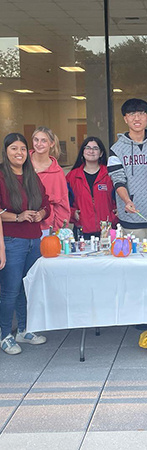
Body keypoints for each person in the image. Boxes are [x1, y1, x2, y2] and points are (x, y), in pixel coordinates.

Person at [0, 133, 49, 355]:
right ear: (6, 151)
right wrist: (17, 217)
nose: (18, 153)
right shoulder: (1, 175)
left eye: (22, 149)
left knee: (26, 287)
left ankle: (24, 330)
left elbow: (46, 201)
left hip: (33, 239)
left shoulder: (31, 174)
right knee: (10, 290)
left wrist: (40, 213)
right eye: (13, 149)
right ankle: (4, 335)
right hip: (11, 240)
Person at [107, 98, 147, 241]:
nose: (137, 118)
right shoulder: (117, 149)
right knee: (134, 259)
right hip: (132, 217)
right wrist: (126, 201)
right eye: (131, 114)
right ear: (125, 118)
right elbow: (118, 181)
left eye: (141, 113)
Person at [66, 136, 118, 240]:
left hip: (107, 231)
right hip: (82, 232)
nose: (91, 151)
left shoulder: (110, 174)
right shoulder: (72, 177)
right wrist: (72, 214)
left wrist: (116, 215)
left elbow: (120, 197)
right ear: (83, 151)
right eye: (88, 148)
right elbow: (64, 202)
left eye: (95, 148)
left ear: (101, 153)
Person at [30, 126, 70, 234]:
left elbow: (62, 205)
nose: (39, 144)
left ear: (51, 143)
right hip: (21, 226)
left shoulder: (57, 172)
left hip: (47, 229)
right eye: (36, 140)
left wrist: (58, 231)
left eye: (44, 141)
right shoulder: (23, 162)